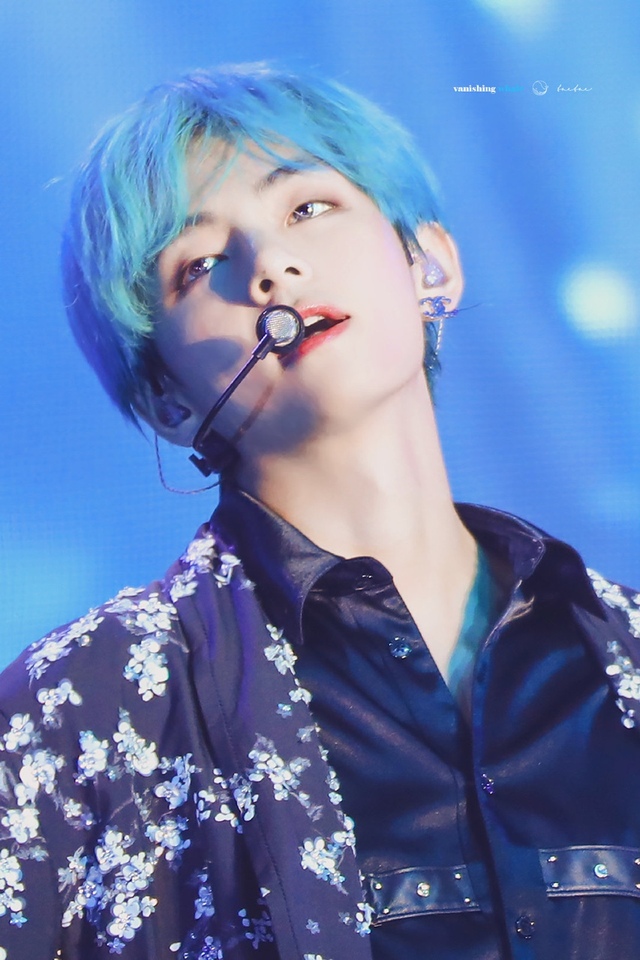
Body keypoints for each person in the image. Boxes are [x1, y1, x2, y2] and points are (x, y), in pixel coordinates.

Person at [1, 63, 640, 960]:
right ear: (169, 401)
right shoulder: (78, 707)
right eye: (200, 265)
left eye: (307, 207)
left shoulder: (623, 648)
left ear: (430, 265)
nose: (270, 267)